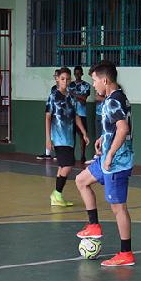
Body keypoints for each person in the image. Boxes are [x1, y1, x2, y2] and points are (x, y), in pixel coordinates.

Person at [74, 62, 135, 267]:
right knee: (81, 180)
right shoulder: (117, 97)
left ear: (105, 80)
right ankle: (93, 226)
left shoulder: (113, 101)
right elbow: (115, 126)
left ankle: (126, 253)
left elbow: (123, 129)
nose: (93, 85)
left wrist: (110, 154)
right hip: (108, 158)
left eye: (94, 80)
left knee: (118, 208)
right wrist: (103, 138)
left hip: (116, 163)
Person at [45, 67, 89, 207]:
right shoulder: (53, 96)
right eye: (62, 79)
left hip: (70, 138)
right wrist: (48, 138)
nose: (65, 81)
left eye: (68, 79)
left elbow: (76, 116)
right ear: (57, 79)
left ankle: (57, 197)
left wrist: (84, 132)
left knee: (62, 166)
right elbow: (48, 117)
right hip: (58, 138)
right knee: (68, 165)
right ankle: (57, 193)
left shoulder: (71, 97)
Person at [69, 65, 93, 163]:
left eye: (79, 73)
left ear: (82, 74)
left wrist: (74, 94)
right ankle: (71, 155)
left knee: (82, 136)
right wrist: (79, 96)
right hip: (71, 114)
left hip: (81, 114)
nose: (77, 75)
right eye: (76, 73)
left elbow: (84, 100)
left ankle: (83, 156)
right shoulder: (70, 85)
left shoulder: (86, 85)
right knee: (71, 136)